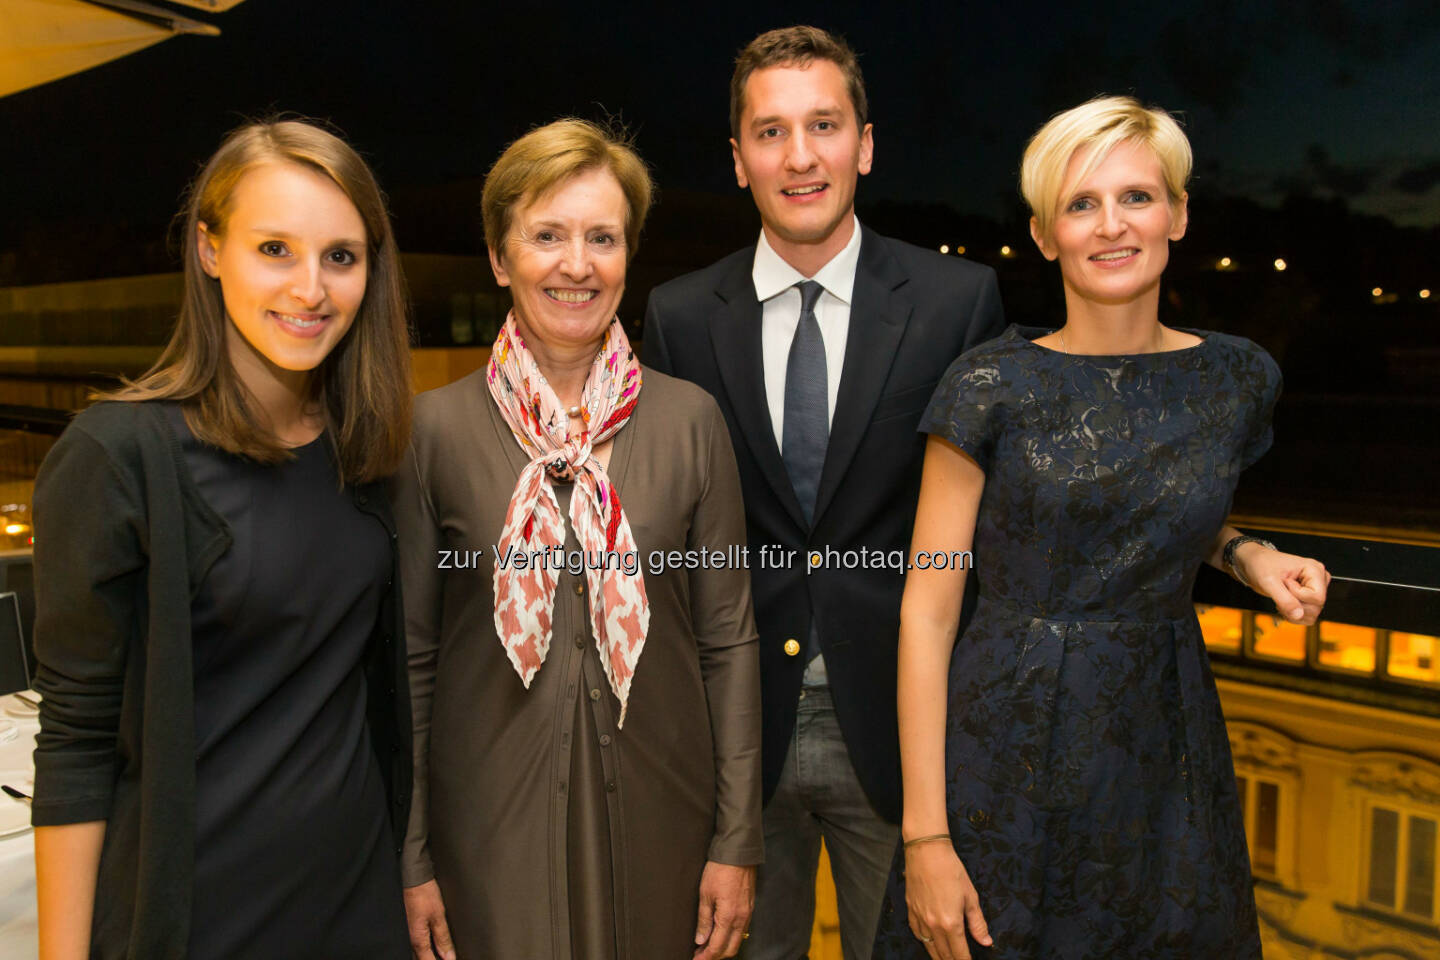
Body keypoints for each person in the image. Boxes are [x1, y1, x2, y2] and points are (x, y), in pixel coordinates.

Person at [870, 96, 1332, 960]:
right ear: (1046, 235)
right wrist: (925, 838)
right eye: (1081, 204)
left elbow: (1157, 508)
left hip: (1165, 744)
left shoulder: (1237, 379)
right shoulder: (987, 385)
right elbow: (927, 613)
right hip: (1002, 745)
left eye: (1136, 197)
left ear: (1179, 215)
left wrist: (1244, 552)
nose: (1111, 225)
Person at [644, 25, 1005, 960]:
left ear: (866, 144)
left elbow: (1019, 499)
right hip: (734, 748)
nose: (799, 157)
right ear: (737, 160)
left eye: (823, 125)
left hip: (904, 742)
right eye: (770, 132)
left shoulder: (957, 303)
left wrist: (1229, 543)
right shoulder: (678, 318)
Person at [29, 119, 415, 959]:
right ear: (210, 251)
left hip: (359, 909)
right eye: (274, 248)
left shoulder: (371, 453)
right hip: (202, 920)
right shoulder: (117, 456)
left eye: (340, 257)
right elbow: (76, 743)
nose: (311, 288)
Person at [395, 118, 763, 960]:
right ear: (499, 257)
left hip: (667, 824)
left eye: (603, 237)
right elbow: (413, 658)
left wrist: (735, 839)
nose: (577, 264)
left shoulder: (691, 423)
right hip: (484, 835)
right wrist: (415, 855)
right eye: (547, 235)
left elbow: (728, 642)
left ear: (629, 255)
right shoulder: (434, 433)